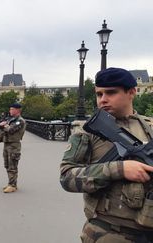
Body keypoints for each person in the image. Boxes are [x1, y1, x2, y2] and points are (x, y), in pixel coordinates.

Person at [60, 67, 153, 242]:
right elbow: (66, 177)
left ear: (131, 92)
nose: (103, 100)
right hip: (108, 232)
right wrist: (119, 169)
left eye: (111, 93)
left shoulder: (150, 126)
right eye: (99, 94)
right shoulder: (86, 133)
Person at [0, 103, 26, 193]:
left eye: (12, 109)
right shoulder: (12, 120)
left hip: (14, 145)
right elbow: (3, 128)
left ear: (18, 110)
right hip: (7, 144)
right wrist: (2, 125)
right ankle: (11, 183)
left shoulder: (20, 121)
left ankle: (12, 185)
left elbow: (11, 130)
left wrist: (4, 125)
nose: (10, 111)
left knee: (12, 165)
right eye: (10, 109)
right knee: (7, 164)